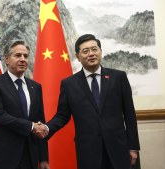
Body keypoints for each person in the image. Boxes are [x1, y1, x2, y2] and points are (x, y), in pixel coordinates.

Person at [36, 34, 140, 169]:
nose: (91, 54)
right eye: (85, 51)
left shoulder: (118, 77)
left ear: (100, 52)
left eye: (94, 49)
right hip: (88, 151)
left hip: (119, 148)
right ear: (78, 57)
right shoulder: (69, 84)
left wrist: (133, 147)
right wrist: (46, 128)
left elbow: (130, 114)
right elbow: (62, 116)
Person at [0, 39, 49, 169]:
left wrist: (43, 157)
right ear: (7, 59)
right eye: (17, 55)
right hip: (3, 155)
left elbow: (40, 121)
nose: (23, 59)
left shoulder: (35, 87)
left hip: (29, 155)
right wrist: (31, 126)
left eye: (26, 56)